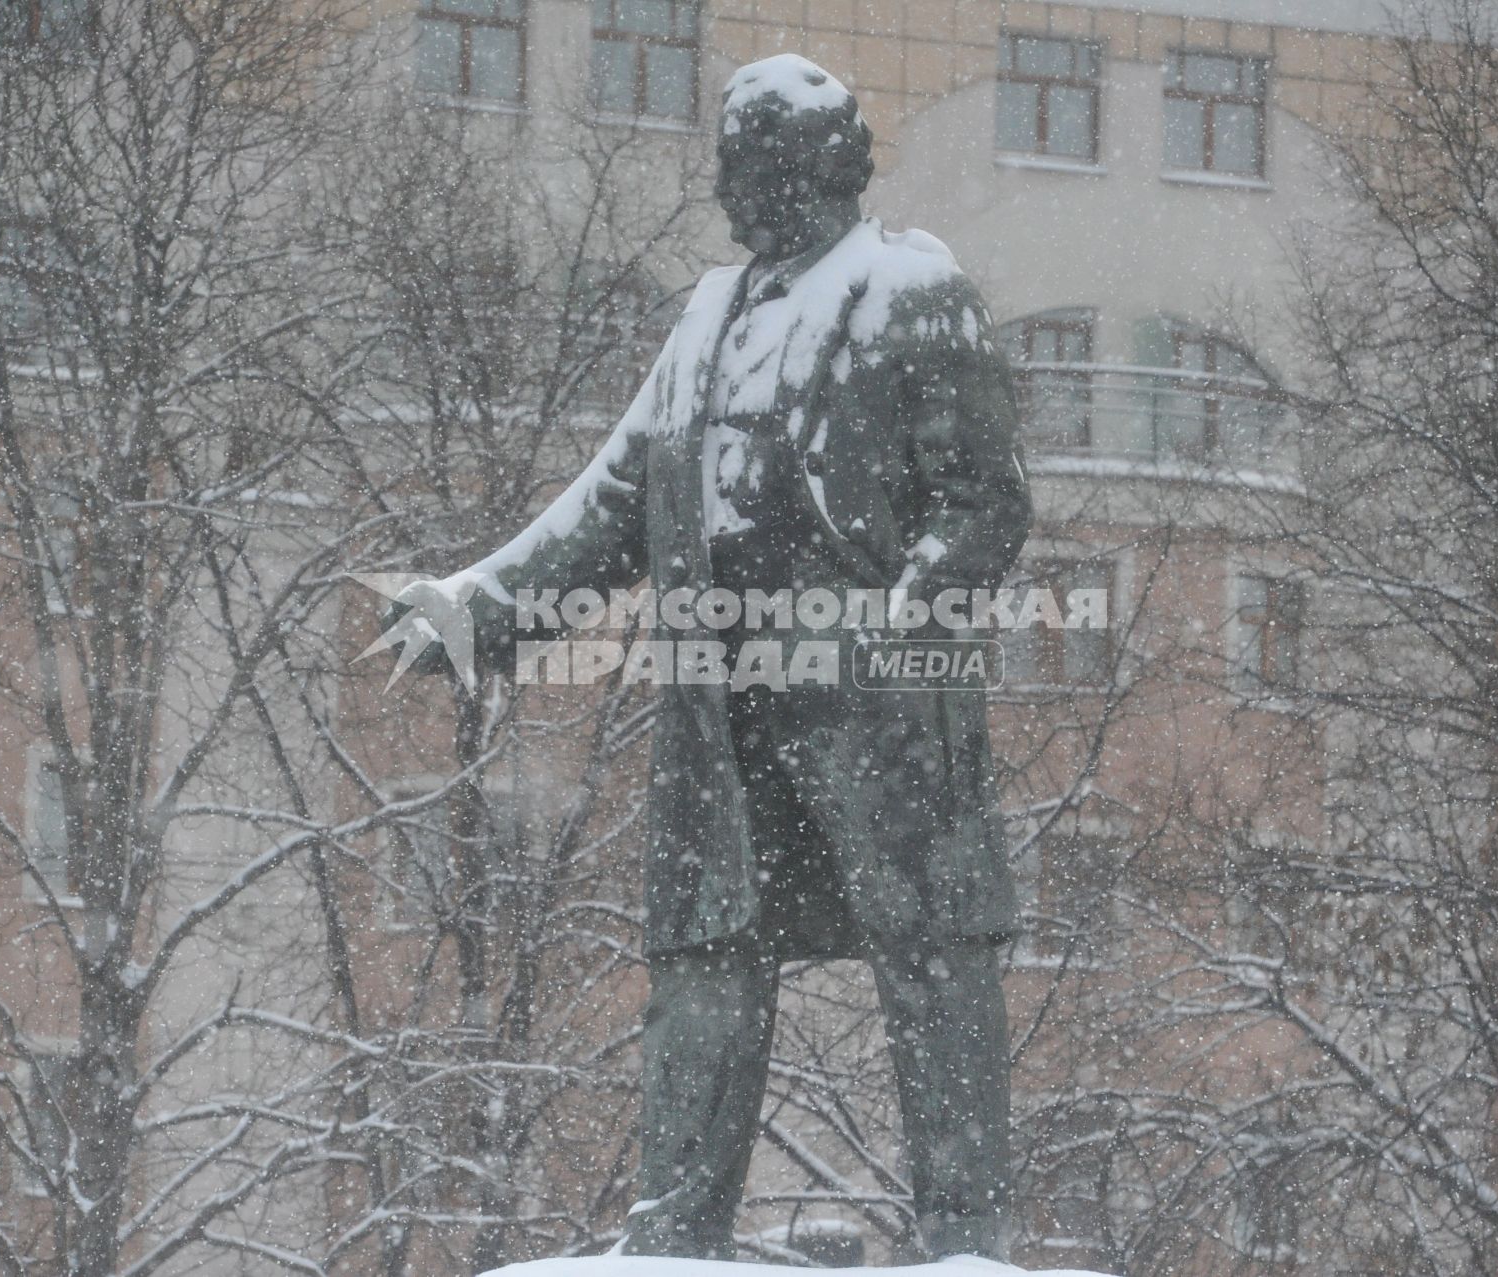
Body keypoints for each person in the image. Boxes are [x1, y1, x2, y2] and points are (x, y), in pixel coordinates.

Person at [379, 54, 1031, 1261]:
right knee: (706, 966)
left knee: (932, 965)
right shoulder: (702, 316)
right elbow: (613, 502)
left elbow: (984, 501)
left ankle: (967, 1233)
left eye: (763, 166)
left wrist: (904, 615)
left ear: (830, 166)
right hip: (721, 720)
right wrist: (480, 602)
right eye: (731, 168)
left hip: (876, 714)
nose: (738, 193)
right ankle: (674, 1229)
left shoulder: (913, 288)